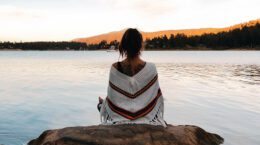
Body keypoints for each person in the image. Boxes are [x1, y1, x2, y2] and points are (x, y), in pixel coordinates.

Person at [97, 28, 167, 127]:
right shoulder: (151, 68)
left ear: (123, 46)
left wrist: (103, 104)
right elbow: (155, 99)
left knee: (101, 106)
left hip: (119, 120)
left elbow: (114, 101)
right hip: (147, 119)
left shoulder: (115, 68)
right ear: (140, 46)